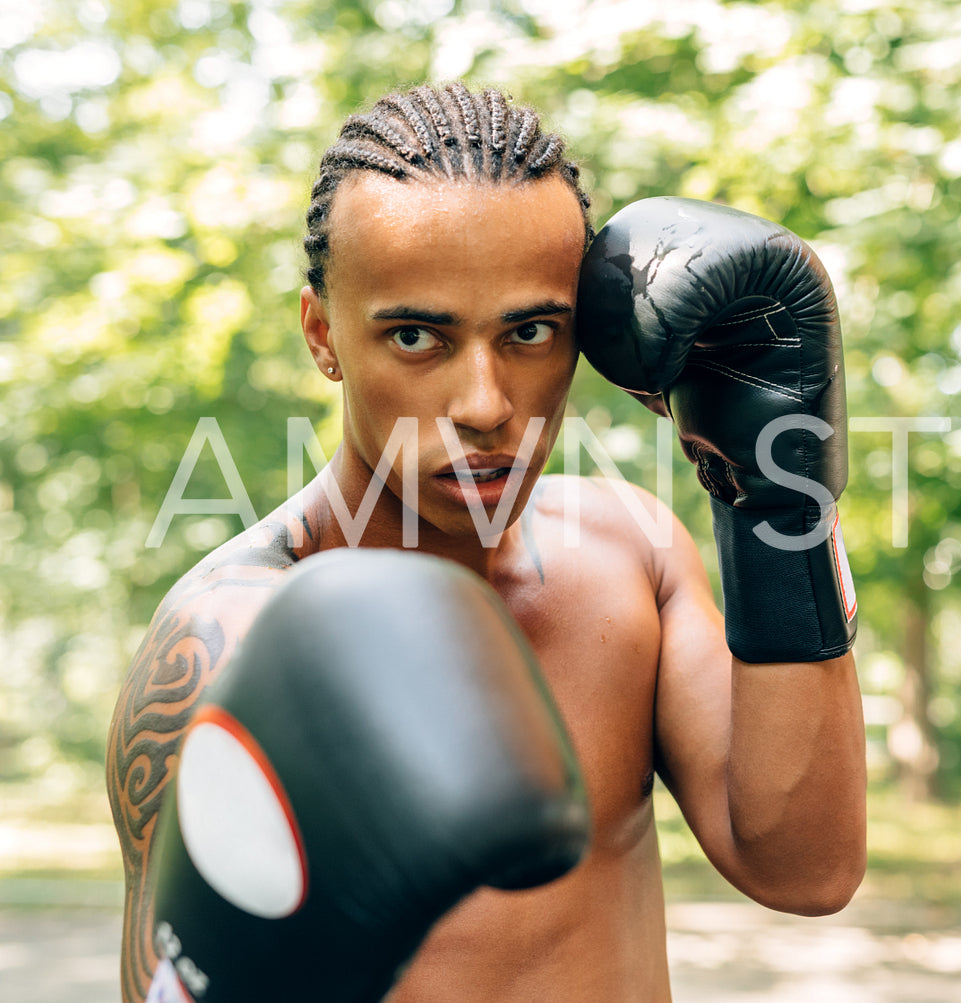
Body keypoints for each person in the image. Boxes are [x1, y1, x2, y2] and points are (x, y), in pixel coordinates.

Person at [106, 81, 867, 1001]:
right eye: (418, 335)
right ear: (323, 334)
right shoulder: (237, 639)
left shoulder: (631, 553)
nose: (484, 405)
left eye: (531, 331)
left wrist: (777, 512)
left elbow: (804, 868)